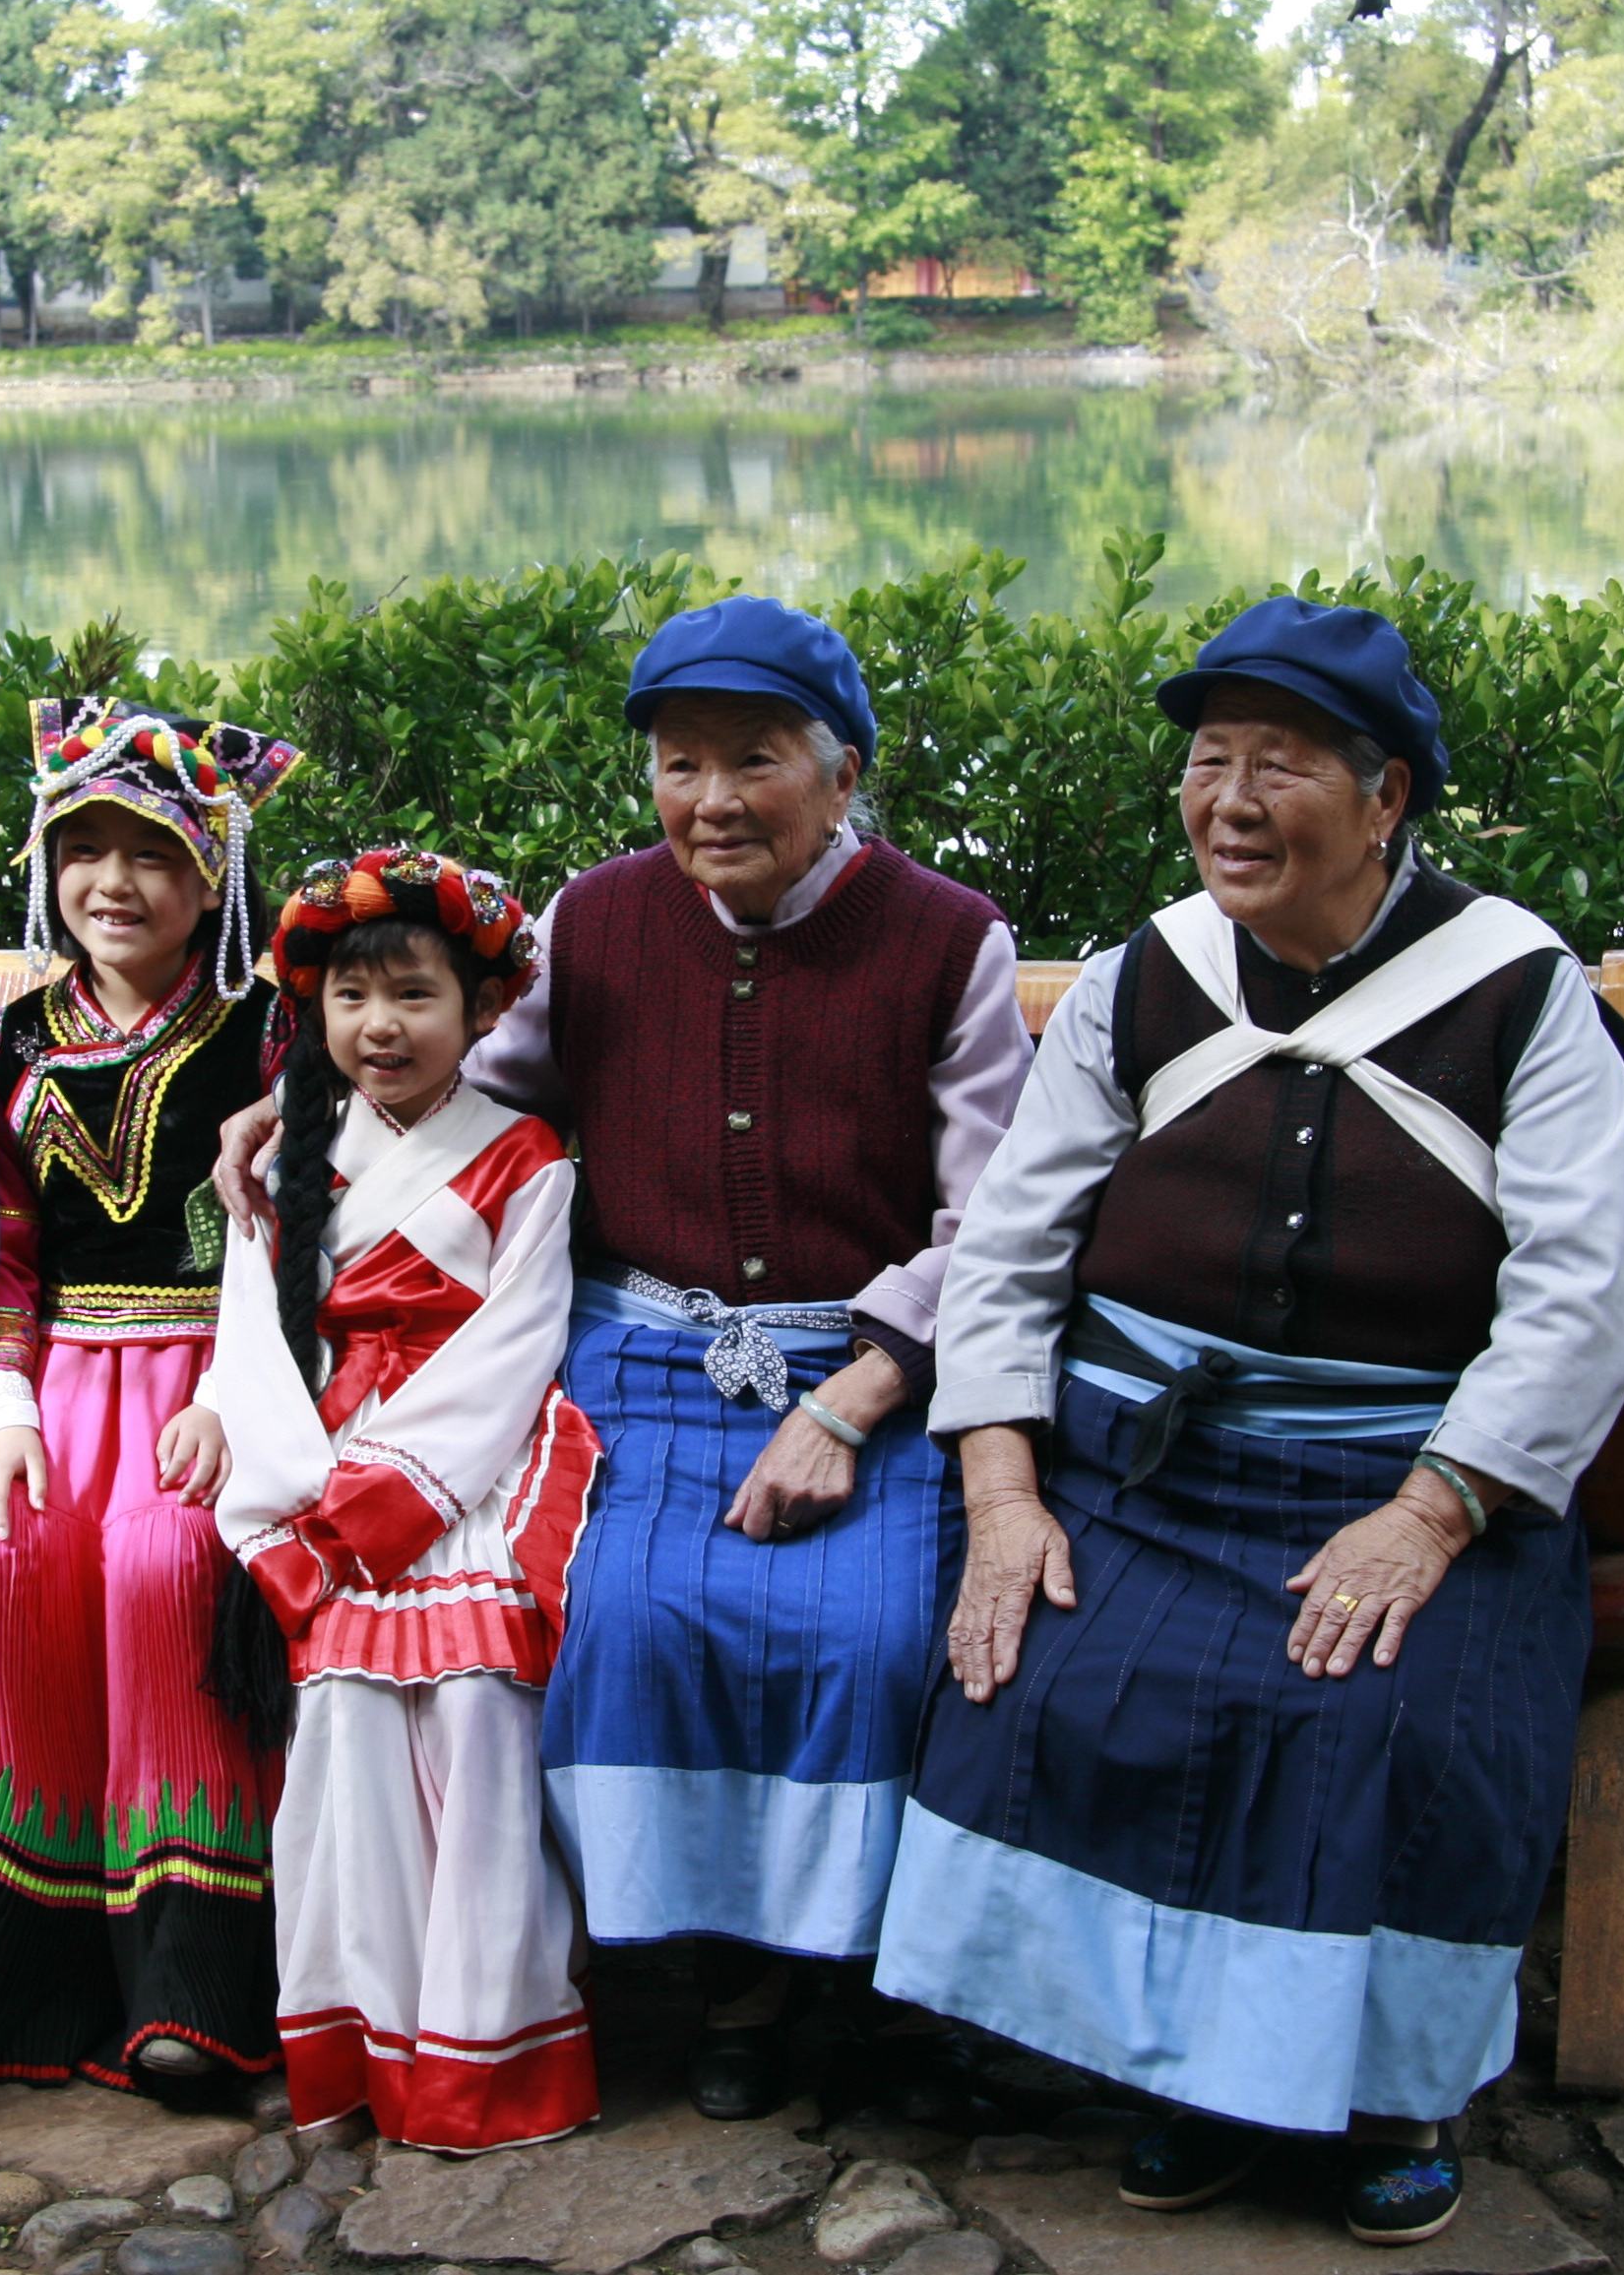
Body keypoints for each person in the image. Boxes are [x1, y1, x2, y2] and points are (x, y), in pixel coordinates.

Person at [875, 598, 1624, 2247]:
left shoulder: (1516, 995)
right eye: (1208, 760)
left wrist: (1430, 1509)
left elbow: (1577, 1298)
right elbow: (1004, 1256)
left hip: (1420, 1470)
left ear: (1387, 796)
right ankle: (1185, 2073)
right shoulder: (1144, 979)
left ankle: (1387, 2089)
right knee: (1063, 1669)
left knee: (1395, 1716)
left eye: (1281, 763)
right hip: (1147, 1462)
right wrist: (1001, 1487)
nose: (1230, 800)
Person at [215, 598, 1032, 2121]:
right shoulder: (596, 919)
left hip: (863, 1363)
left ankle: (840, 1970)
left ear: (842, 772)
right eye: (677, 762)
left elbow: (988, 1221)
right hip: (635, 1346)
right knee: (624, 1613)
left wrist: (857, 1398)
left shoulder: (947, 941)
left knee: (861, 1631)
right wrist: (300, 1109)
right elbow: (470, 1085)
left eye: (754, 759)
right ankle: (719, 1974)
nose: (709, 798)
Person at [0, 699, 297, 2097]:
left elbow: (309, 1234)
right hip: (49, 1379)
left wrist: (239, 1389)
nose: (113, 883)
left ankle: (194, 1978)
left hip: (217, 1378)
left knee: (163, 1563)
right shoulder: (18, 1032)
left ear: (213, 872)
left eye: (152, 853)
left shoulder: (275, 1028)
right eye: (82, 848)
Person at [192, 850, 601, 2154]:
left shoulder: (526, 1157)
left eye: (416, 994)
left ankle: (484, 2049)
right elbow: (253, 1335)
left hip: (460, 1467)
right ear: (314, 1013)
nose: (382, 1025)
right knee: (347, 1730)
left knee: (479, 1704)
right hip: (317, 1460)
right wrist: (300, 1485)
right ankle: (362, 2043)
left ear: (484, 1011)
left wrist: (385, 1496)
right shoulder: (283, 1162)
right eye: (352, 996)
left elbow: (514, 1342)